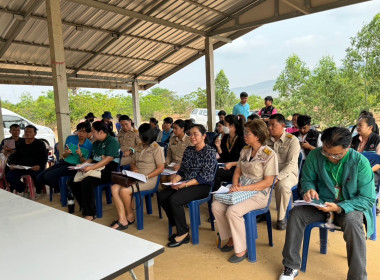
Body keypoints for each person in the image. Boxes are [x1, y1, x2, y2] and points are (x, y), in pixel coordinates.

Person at [279, 127, 376, 280]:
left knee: (353, 222)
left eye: (336, 154)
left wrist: (339, 207)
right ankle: (291, 266)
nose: (330, 157)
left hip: (349, 207)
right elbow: (307, 180)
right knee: (296, 214)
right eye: (326, 152)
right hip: (321, 205)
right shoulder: (316, 155)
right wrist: (309, 189)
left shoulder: (360, 162)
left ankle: (357, 277)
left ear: (348, 147)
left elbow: (368, 198)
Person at [212, 119, 278, 263]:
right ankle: (231, 237)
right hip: (241, 190)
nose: (245, 135)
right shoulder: (245, 150)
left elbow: (267, 182)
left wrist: (241, 188)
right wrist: (235, 186)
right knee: (216, 205)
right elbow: (237, 172)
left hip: (259, 194)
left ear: (258, 136)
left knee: (233, 211)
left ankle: (242, 248)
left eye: (248, 133)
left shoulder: (269, 154)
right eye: (245, 132)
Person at [158, 124, 217, 248]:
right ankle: (176, 224)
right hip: (187, 182)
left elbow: (204, 177)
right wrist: (175, 180)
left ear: (204, 136)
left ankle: (183, 233)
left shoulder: (210, 152)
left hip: (202, 185)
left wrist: (184, 185)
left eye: (196, 134)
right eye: (190, 134)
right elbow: (182, 170)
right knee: (162, 195)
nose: (192, 136)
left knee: (175, 199)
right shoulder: (189, 150)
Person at [110, 123, 165, 230]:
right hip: (136, 176)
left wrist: (147, 176)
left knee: (124, 191)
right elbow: (132, 161)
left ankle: (130, 216)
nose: (140, 138)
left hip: (149, 179)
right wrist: (134, 167)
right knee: (114, 188)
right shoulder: (139, 146)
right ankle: (122, 218)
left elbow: (160, 168)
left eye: (142, 136)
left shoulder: (157, 148)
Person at [68, 121, 120, 221]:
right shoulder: (96, 143)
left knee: (86, 182)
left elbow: (108, 159)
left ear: (101, 132)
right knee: (72, 181)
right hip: (95, 167)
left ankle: (90, 213)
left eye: (93, 132)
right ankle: (85, 206)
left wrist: (91, 168)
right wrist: (82, 165)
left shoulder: (112, 141)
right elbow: (91, 158)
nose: (91, 134)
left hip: (108, 170)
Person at [35, 122, 93, 194]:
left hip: (75, 167)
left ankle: (66, 193)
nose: (81, 134)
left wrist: (81, 155)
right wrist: (66, 152)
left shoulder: (90, 146)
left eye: (84, 132)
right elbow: (64, 156)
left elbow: (84, 162)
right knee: (39, 177)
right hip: (64, 162)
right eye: (79, 131)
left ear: (88, 133)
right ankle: (66, 191)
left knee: (48, 176)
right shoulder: (70, 138)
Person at [267, 114, 301, 230]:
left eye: (273, 125)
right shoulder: (266, 140)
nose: (270, 127)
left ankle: (281, 218)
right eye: (269, 125)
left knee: (282, 186)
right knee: (254, 181)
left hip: (289, 173)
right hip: (270, 173)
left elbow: (291, 164)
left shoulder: (292, 140)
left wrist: (277, 178)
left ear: (282, 125)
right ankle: (261, 212)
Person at [6, 125, 47, 196]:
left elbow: (44, 158)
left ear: (35, 134)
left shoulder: (40, 144)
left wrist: (39, 166)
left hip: (35, 167)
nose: (27, 133)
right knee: (9, 176)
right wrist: (12, 164)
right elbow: (15, 156)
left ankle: (38, 190)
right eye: (26, 132)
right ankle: (23, 188)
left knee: (38, 176)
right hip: (23, 167)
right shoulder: (20, 143)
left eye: (30, 132)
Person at [213, 115, 246, 191]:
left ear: (232, 126)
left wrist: (232, 164)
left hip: (237, 169)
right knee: (216, 178)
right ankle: (215, 197)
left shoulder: (241, 139)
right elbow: (224, 158)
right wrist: (218, 147)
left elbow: (245, 160)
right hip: (226, 168)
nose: (223, 127)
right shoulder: (225, 138)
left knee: (214, 172)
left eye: (225, 124)